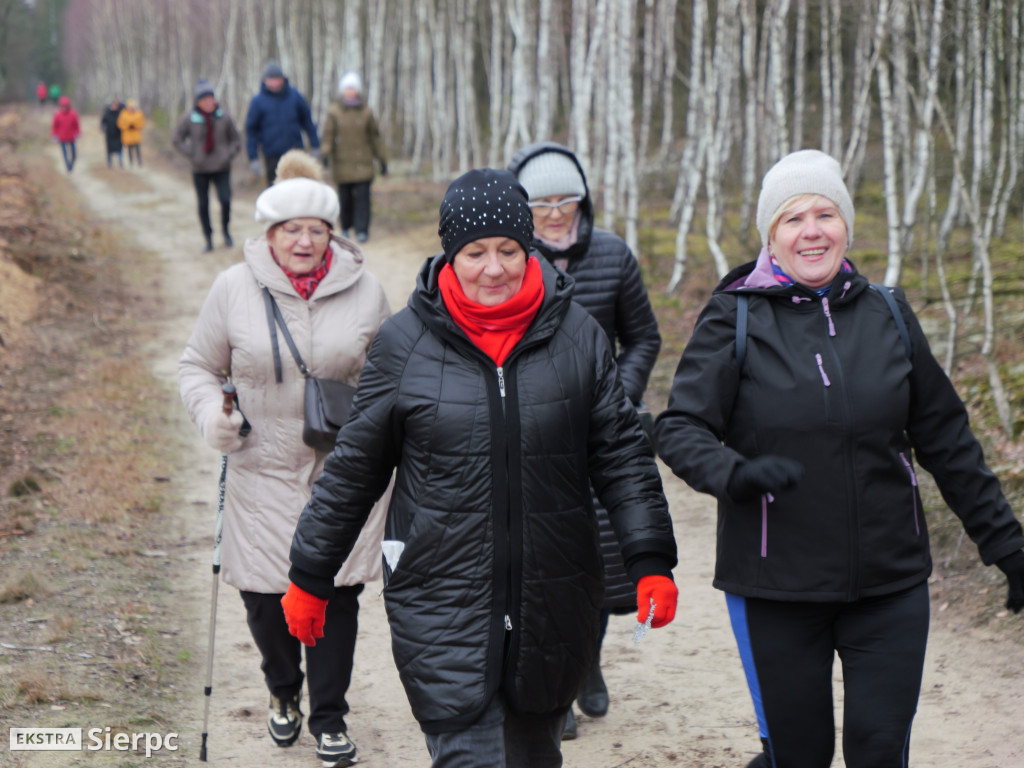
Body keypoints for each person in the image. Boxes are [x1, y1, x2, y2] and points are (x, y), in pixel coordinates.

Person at [281, 168, 679, 768]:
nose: (494, 268)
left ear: (529, 250)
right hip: (441, 599)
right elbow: (355, 469)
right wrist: (310, 574)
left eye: (508, 250)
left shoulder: (578, 337)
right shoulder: (404, 343)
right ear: (450, 255)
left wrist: (650, 559)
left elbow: (622, 455)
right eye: (475, 252)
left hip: (554, 598)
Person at [653, 149, 1024, 768]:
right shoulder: (735, 317)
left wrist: (1007, 546)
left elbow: (948, 442)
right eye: (793, 219)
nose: (812, 231)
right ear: (772, 234)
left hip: (890, 582)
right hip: (775, 586)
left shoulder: (888, 313)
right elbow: (680, 427)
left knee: (880, 752)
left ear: (846, 225)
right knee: (798, 757)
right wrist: (734, 474)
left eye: (825, 213)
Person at [179, 150, 391, 768]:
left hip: (342, 472)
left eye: (316, 230)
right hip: (260, 469)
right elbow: (197, 366)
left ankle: (329, 717)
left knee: (337, 594)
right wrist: (212, 417)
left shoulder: (367, 289)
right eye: (291, 229)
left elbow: (389, 373)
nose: (304, 241)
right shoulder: (233, 289)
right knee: (267, 604)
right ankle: (282, 690)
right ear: (270, 233)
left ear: (332, 233)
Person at [507, 141, 662, 740]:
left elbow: (643, 337)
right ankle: (559, 689)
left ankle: (587, 660)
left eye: (565, 201)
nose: (554, 214)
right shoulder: (508, 262)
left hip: (602, 434)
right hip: (534, 434)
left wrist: (615, 395)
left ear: (582, 203)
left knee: (601, 560)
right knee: (542, 564)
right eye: (541, 203)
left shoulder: (615, 256)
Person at [173, 79, 242, 252]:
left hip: (222, 167)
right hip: (200, 169)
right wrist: (192, 154)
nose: (209, 102)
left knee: (225, 200)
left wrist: (228, 154)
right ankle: (208, 238)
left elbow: (236, 140)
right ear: (198, 102)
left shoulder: (224, 116)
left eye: (211, 98)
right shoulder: (190, 118)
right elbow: (177, 139)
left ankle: (226, 232)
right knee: (203, 205)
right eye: (205, 99)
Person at [322, 71, 387, 243]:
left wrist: (382, 159)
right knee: (345, 198)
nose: (350, 91)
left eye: (353, 88)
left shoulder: (366, 112)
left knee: (363, 199)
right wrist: (325, 153)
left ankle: (362, 230)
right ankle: (345, 227)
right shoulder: (334, 112)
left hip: (363, 164)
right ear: (343, 91)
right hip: (342, 164)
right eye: (347, 88)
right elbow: (328, 135)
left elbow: (375, 137)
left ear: (357, 90)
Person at [245, 60, 320, 186]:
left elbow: (307, 121)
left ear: (283, 79)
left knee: (298, 187)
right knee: (274, 190)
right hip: (271, 155)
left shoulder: (295, 96)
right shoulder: (258, 102)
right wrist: (253, 157)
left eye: (277, 79)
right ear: (265, 81)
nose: (274, 82)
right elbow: (251, 130)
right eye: (271, 79)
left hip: (295, 153)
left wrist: (315, 145)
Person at [51, 95, 80, 173]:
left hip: (71, 136)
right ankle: (68, 165)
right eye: (63, 106)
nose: (64, 108)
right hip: (62, 137)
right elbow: (55, 126)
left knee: (74, 153)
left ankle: (72, 163)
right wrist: (54, 135)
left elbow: (76, 124)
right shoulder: (57, 115)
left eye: (65, 106)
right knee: (65, 153)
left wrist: (77, 133)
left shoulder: (73, 114)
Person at [117, 98, 146, 167]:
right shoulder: (123, 113)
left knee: (137, 149)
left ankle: (139, 161)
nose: (131, 108)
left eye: (132, 107)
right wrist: (127, 126)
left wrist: (136, 126)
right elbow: (120, 123)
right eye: (130, 107)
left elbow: (142, 122)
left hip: (136, 135)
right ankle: (131, 162)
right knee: (129, 150)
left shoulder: (139, 113)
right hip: (128, 135)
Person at [100, 96, 124, 168]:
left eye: (115, 105)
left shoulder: (120, 112)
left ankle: (121, 162)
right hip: (109, 133)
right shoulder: (107, 113)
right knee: (109, 149)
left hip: (118, 133)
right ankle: (109, 162)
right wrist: (102, 128)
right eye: (112, 105)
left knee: (119, 149)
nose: (113, 107)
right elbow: (103, 121)